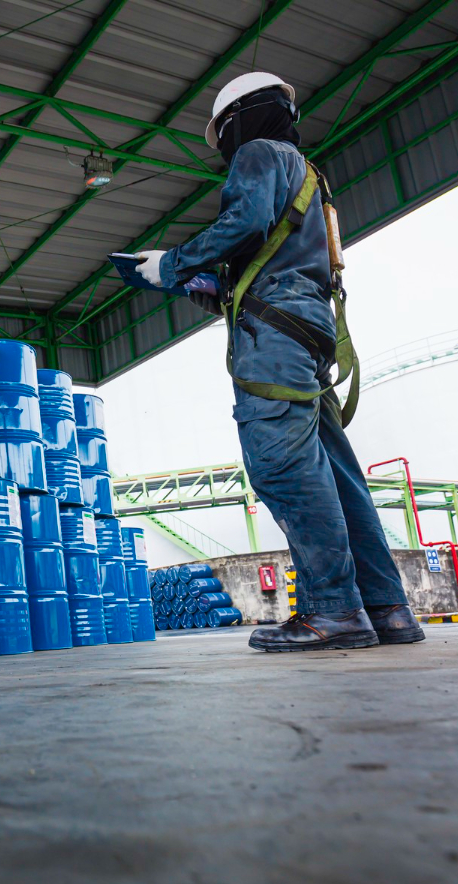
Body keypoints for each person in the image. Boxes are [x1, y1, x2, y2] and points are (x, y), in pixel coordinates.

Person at [132, 72, 424, 652]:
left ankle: (333, 612)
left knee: (283, 466)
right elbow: (266, 254)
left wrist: (168, 265)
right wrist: (203, 283)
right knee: (339, 477)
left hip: (277, 336)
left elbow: (241, 225)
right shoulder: (310, 176)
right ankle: (386, 609)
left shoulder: (260, 154)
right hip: (307, 329)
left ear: (238, 119)